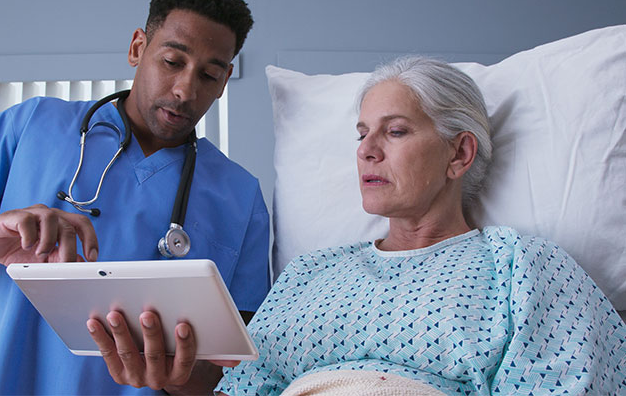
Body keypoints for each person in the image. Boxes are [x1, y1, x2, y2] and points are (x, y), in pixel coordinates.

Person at [0, 0, 270, 394]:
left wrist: (180, 374)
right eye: (172, 61)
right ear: (138, 47)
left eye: (208, 75)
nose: (185, 90)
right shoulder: (33, 126)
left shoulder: (241, 197)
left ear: (225, 80)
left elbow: (241, 379)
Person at [215, 56, 626, 395]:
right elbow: (242, 386)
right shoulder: (308, 273)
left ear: (459, 153)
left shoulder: (523, 267)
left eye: (395, 131)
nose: (366, 151)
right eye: (361, 135)